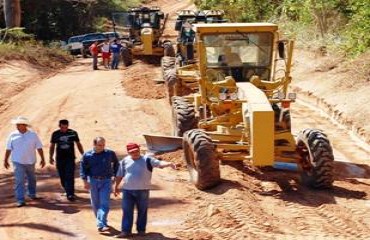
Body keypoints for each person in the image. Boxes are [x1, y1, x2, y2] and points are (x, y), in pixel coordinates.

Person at [114, 143, 177, 238]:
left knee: (142, 211)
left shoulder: (147, 159)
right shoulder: (124, 161)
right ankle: (125, 231)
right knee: (127, 211)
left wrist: (169, 164)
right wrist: (116, 186)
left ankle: (141, 230)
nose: (135, 153)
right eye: (132, 152)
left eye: (136, 151)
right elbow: (119, 175)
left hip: (142, 190)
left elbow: (159, 163)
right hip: (127, 190)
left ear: (139, 150)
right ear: (128, 152)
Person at [3, 116, 45, 207]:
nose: (17, 126)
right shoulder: (12, 135)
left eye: (19, 124)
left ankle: (32, 194)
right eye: (17, 124)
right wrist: (5, 159)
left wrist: (43, 158)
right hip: (17, 161)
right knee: (19, 180)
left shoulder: (33, 135)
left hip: (30, 161)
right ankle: (20, 199)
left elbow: (39, 147)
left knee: (32, 179)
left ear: (25, 125)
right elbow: (8, 148)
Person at [80, 137, 119, 232]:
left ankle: (101, 224)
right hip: (93, 181)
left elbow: (116, 163)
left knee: (105, 203)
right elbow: (83, 169)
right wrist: (85, 181)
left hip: (106, 181)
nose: (102, 147)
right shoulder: (87, 155)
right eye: (99, 145)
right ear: (94, 145)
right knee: (95, 203)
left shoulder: (109, 153)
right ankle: (102, 222)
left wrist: (115, 175)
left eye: (103, 145)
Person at [49, 119, 84, 201]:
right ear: (59, 126)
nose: (64, 129)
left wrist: (83, 154)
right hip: (60, 158)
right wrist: (50, 156)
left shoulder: (73, 133)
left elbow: (78, 144)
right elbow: (52, 146)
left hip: (70, 158)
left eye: (66, 127)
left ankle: (70, 194)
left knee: (70, 175)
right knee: (62, 176)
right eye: (62, 127)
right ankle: (67, 189)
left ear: (68, 126)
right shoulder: (55, 134)